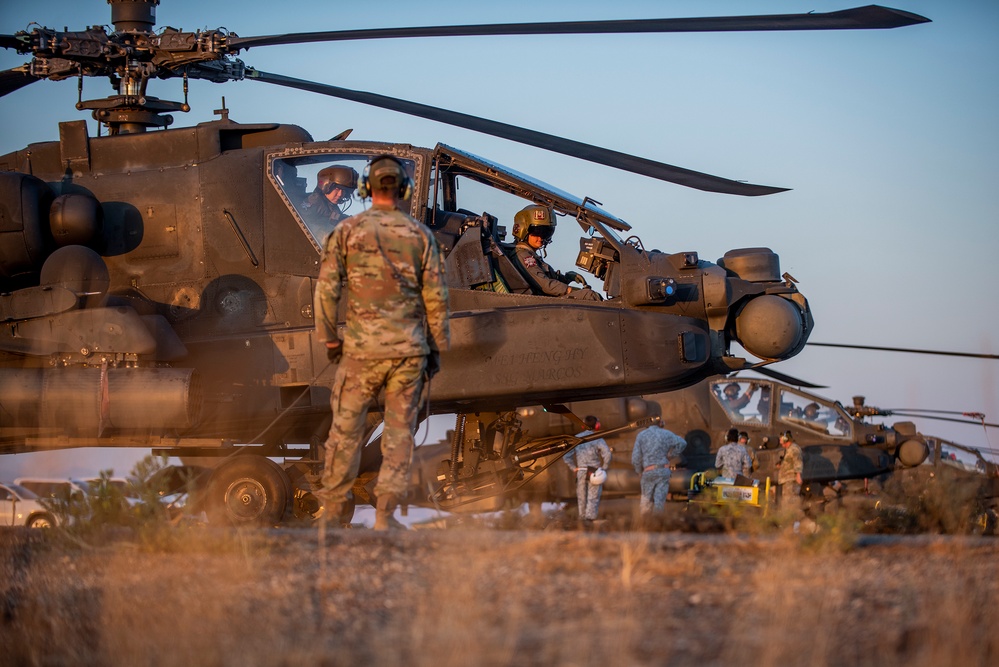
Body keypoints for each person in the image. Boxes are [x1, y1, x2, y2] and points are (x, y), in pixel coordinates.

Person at [314, 155, 449, 531]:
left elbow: (325, 292)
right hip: (408, 354)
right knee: (399, 433)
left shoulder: (346, 232)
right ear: (403, 190)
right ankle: (384, 516)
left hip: (360, 353)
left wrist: (329, 341)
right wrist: (435, 352)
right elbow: (438, 301)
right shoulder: (421, 236)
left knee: (344, 433)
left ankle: (330, 513)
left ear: (365, 189)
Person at [510, 204, 601, 301]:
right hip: (539, 304)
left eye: (545, 232)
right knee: (589, 296)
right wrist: (571, 290)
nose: (540, 238)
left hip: (542, 301)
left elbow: (546, 277)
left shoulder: (528, 254)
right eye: (536, 232)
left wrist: (565, 278)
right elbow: (546, 285)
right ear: (523, 230)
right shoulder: (523, 255)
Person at [563, 415, 612, 524]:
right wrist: (604, 467)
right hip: (594, 471)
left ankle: (582, 517)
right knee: (593, 496)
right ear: (596, 425)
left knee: (581, 495)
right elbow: (607, 454)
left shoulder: (576, 438)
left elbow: (566, 456)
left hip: (581, 470)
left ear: (583, 426)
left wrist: (573, 468)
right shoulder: (598, 438)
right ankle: (590, 519)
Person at [631, 423, 686, 515]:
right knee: (659, 502)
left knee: (645, 501)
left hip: (648, 472)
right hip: (663, 471)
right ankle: (657, 524)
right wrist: (671, 455)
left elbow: (635, 458)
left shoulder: (641, 435)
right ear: (661, 423)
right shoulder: (666, 433)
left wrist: (639, 471)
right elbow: (683, 443)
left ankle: (644, 525)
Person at [301, 164, 358, 236]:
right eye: (337, 188)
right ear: (326, 185)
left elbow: (335, 217)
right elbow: (303, 227)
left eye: (344, 191)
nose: (340, 194)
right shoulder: (314, 202)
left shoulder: (330, 207)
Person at [775, 430, 804, 514]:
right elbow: (789, 462)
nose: (780, 442)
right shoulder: (788, 449)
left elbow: (798, 462)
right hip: (787, 480)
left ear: (785, 439)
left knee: (790, 503)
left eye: (781, 439)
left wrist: (798, 475)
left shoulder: (794, 449)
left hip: (791, 480)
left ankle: (797, 523)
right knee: (788, 502)